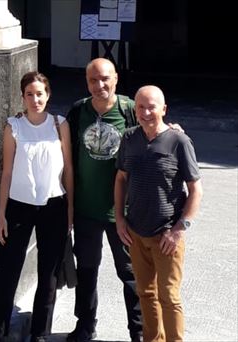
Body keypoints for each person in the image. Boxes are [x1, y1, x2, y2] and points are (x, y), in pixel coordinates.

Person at [0, 71, 73, 342]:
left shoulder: (59, 125)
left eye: (40, 94)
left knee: (48, 274)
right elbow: (6, 172)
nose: (35, 100)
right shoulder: (14, 127)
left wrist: (69, 211)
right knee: (9, 270)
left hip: (54, 206)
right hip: (19, 206)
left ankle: (39, 333)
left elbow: (68, 169)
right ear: (22, 97)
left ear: (48, 95)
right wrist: (1, 215)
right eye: (29, 95)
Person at [114, 85, 202, 342]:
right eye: (140, 107)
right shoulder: (129, 138)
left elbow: (196, 189)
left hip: (166, 235)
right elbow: (120, 178)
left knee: (169, 297)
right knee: (146, 294)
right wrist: (120, 219)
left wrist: (178, 230)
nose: (145, 112)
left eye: (151, 106)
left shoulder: (179, 141)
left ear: (163, 109)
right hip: (136, 233)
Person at [65, 57, 142, 342]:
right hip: (87, 208)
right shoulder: (78, 111)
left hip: (122, 211)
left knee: (131, 274)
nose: (100, 85)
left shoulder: (130, 110)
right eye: (94, 80)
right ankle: (85, 324)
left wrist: (175, 132)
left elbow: (156, 129)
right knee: (87, 270)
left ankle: (139, 331)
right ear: (87, 83)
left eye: (105, 78)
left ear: (116, 79)